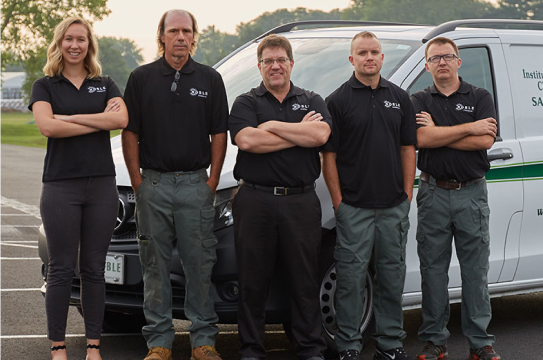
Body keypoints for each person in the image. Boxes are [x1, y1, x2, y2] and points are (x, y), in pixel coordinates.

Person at [122, 9, 228, 360]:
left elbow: (219, 134)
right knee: (154, 267)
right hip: (153, 185)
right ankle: (159, 342)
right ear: (162, 37)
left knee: (200, 265)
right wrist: (138, 182)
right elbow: (130, 132)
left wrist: (212, 180)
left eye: (187, 31)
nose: (180, 37)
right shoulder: (141, 78)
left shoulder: (210, 79)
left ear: (195, 37)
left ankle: (202, 340)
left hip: (196, 185)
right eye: (174, 31)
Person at [28, 17, 128, 360]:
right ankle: (58, 347)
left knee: (93, 269)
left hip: (101, 186)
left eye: (81, 40)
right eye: (69, 39)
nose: (75, 45)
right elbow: (47, 127)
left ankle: (93, 347)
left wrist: (68, 118)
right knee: (60, 268)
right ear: (59, 43)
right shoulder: (45, 85)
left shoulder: (106, 83)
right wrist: (93, 119)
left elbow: (119, 120)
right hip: (60, 187)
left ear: (89, 45)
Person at [228, 34, 331, 360]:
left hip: (300, 202)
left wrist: (271, 126)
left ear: (291, 63)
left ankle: (310, 348)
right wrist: (297, 133)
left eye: (280, 60)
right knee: (253, 281)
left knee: (303, 279)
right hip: (255, 201)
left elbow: (321, 134)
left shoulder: (312, 99)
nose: (275, 66)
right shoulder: (245, 102)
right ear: (260, 66)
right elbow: (248, 142)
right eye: (268, 61)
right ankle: (252, 350)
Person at [322, 31, 416, 360]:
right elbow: (328, 157)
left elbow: (408, 147)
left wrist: (406, 196)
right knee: (350, 281)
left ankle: (390, 345)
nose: (369, 57)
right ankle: (349, 346)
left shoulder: (400, 98)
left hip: (393, 208)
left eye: (374, 51)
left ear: (382, 57)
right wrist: (339, 203)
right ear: (352, 59)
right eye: (362, 53)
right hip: (354, 208)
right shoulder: (337, 100)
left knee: (392, 278)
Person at [412, 37, 501, 360]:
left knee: (475, 271)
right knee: (432, 270)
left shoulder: (480, 96)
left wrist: (441, 133)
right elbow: (422, 138)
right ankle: (435, 340)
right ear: (427, 65)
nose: (442, 63)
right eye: (435, 59)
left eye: (448, 57)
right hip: (433, 193)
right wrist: (469, 127)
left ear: (458, 61)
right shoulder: (419, 99)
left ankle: (480, 343)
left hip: (472, 194)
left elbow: (486, 140)